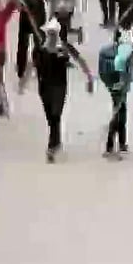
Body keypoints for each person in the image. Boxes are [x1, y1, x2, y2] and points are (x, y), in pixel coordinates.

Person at [35, 18, 93, 162]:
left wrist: (89, 77)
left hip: (59, 86)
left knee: (55, 116)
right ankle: (57, 142)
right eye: (50, 33)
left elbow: (80, 60)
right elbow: (32, 65)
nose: (52, 35)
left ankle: (52, 147)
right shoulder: (40, 49)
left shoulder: (64, 48)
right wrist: (22, 82)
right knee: (51, 118)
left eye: (54, 32)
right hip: (44, 87)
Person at [101, 28, 133, 159]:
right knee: (118, 113)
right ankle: (111, 144)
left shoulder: (108, 51)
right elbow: (129, 67)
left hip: (115, 86)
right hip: (119, 87)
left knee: (120, 111)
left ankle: (119, 143)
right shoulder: (124, 52)